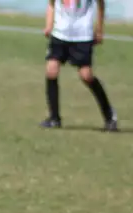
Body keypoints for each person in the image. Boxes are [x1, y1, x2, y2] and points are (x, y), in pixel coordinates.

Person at [42, 0, 118, 131]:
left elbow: (101, 4)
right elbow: (51, 4)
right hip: (59, 34)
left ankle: (109, 115)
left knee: (86, 75)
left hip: (83, 36)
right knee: (51, 70)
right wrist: (49, 25)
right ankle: (54, 118)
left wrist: (99, 29)